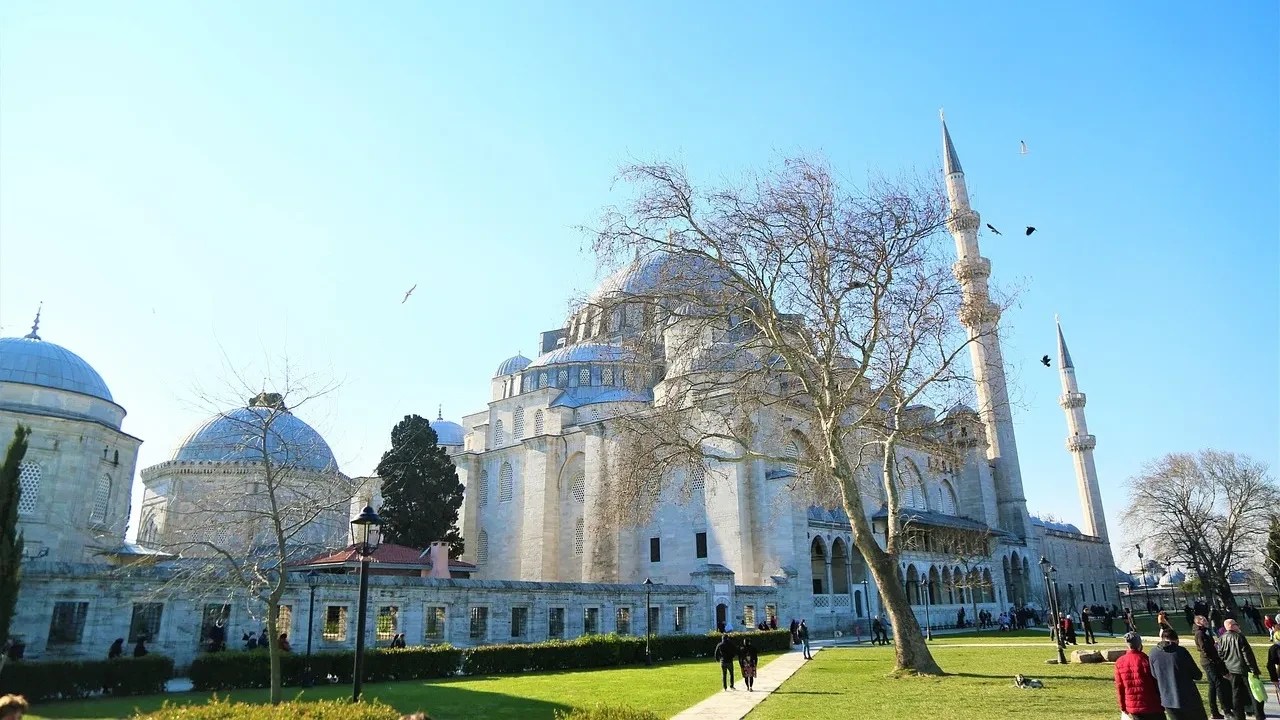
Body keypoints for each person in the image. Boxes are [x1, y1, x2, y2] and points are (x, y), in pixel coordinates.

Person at [1150, 628, 1207, 720]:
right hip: (1188, 697)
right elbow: (1197, 675)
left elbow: (1154, 674)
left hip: (1167, 699)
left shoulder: (1153, 653)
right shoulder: (1180, 651)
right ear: (1177, 640)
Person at [1219, 619, 1264, 720]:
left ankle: (1239, 716)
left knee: (1236, 694)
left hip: (1232, 670)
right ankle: (1259, 715)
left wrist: (1224, 671)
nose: (1239, 626)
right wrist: (1253, 669)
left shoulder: (1222, 638)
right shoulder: (1239, 637)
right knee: (1254, 692)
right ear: (1231, 626)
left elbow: (1220, 656)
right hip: (1244, 669)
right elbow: (1247, 655)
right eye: (1236, 624)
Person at [1114, 631, 1165, 720]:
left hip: (1133, 706)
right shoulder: (1146, 660)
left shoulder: (1119, 662)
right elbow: (1157, 683)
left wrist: (1123, 707)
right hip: (1152, 704)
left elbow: (1120, 687)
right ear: (1140, 645)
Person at [1196, 615, 1234, 720]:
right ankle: (1226, 710)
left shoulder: (1206, 631)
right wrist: (1214, 659)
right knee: (1219, 684)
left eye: (1205, 619)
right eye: (1202, 620)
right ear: (1198, 623)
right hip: (1209, 662)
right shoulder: (1200, 633)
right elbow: (1204, 649)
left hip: (1211, 660)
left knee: (1212, 686)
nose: (1205, 620)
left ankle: (1214, 712)